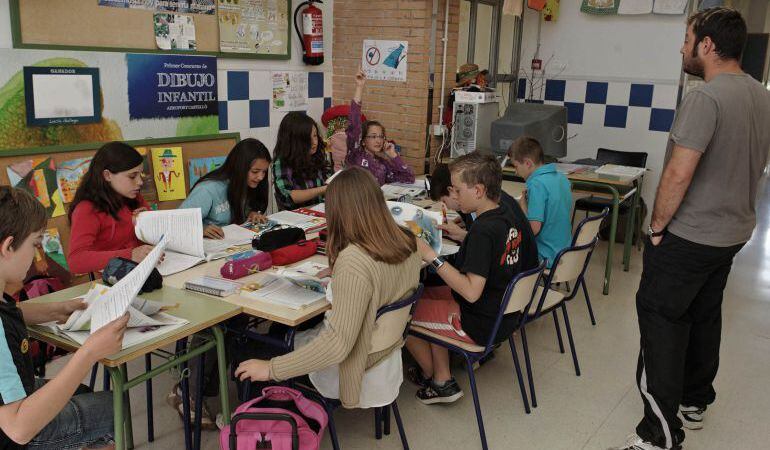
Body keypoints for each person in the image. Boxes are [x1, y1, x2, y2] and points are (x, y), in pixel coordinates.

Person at [615, 9, 770, 450]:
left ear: (706, 45)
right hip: (733, 233)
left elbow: (679, 173)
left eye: (686, 39)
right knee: (703, 313)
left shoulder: (706, 97)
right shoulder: (761, 95)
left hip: (690, 235)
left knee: (661, 322)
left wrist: (657, 228)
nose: (682, 47)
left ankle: (659, 433)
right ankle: (696, 399)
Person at [234, 167, 422, 408]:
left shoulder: (355, 260)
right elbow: (383, 278)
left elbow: (337, 345)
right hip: (385, 355)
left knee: (243, 346)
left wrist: (271, 369)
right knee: (280, 334)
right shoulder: (405, 238)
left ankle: (263, 425)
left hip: (354, 364)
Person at [0, 186, 129, 450]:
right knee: (113, 406)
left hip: (13, 400)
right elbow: (18, 429)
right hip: (14, 433)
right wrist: (88, 353)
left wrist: (55, 309)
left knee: (80, 392)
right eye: (35, 244)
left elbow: (10, 313)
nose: (37, 257)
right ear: (8, 246)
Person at [405, 152, 538, 404]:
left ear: (478, 190)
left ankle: (439, 380)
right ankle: (441, 371)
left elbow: (471, 292)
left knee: (405, 311)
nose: (454, 196)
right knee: (426, 292)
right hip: (503, 314)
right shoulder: (506, 215)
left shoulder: (483, 230)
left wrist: (431, 255)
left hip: (479, 321)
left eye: (457, 190)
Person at [67, 141, 155, 274]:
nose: (140, 182)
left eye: (140, 175)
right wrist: (130, 254)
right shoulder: (87, 209)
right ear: (107, 175)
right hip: (113, 280)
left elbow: (151, 241)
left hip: (145, 272)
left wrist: (149, 222)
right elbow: (76, 261)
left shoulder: (134, 198)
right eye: (132, 176)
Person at [181, 138, 271, 239]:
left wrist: (251, 214)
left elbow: (241, 209)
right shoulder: (207, 189)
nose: (261, 177)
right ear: (239, 167)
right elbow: (178, 222)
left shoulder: (247, 184)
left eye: (264, 172)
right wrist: (200, 229)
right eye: (255, 171)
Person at [429, 161, 534, 244]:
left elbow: (499, 244)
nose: (447, 207)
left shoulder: (496, 209)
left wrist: (463, 235)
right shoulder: (487, 199)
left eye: (444, 201)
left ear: (452, 190)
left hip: (519, 267)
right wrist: (465, 221)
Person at [509, 136, 572, 267]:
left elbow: (533, 229)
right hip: (565, 254)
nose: (515, 172)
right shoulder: (562, 178)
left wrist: (523, 206)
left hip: (544, 256)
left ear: (528, 163)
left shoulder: (537, 185)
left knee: (500, 249)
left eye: (516, 166)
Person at [345, 70, 415, 186]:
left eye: (381, 136)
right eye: (373, 136)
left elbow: (408, 177)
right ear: (362, 141)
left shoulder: (382, 164)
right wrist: (359, 87)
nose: (378, 140)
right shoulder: (355, 155)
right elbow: (354, 124)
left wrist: (393, 155)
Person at [272, 112, 333, 210]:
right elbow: (288, 197)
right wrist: (324, 189)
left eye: (315, 136)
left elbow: (328, 181)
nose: (314, 142)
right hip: (295, 217)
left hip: (321, 213)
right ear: (294, 141)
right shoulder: (282, 162)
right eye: (307, 139)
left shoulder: (318, 155)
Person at [321, 103, 367, 172]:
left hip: (337, 170)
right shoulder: (355, 137)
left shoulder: (332, 137)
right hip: (354, 170)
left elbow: (328, 146)